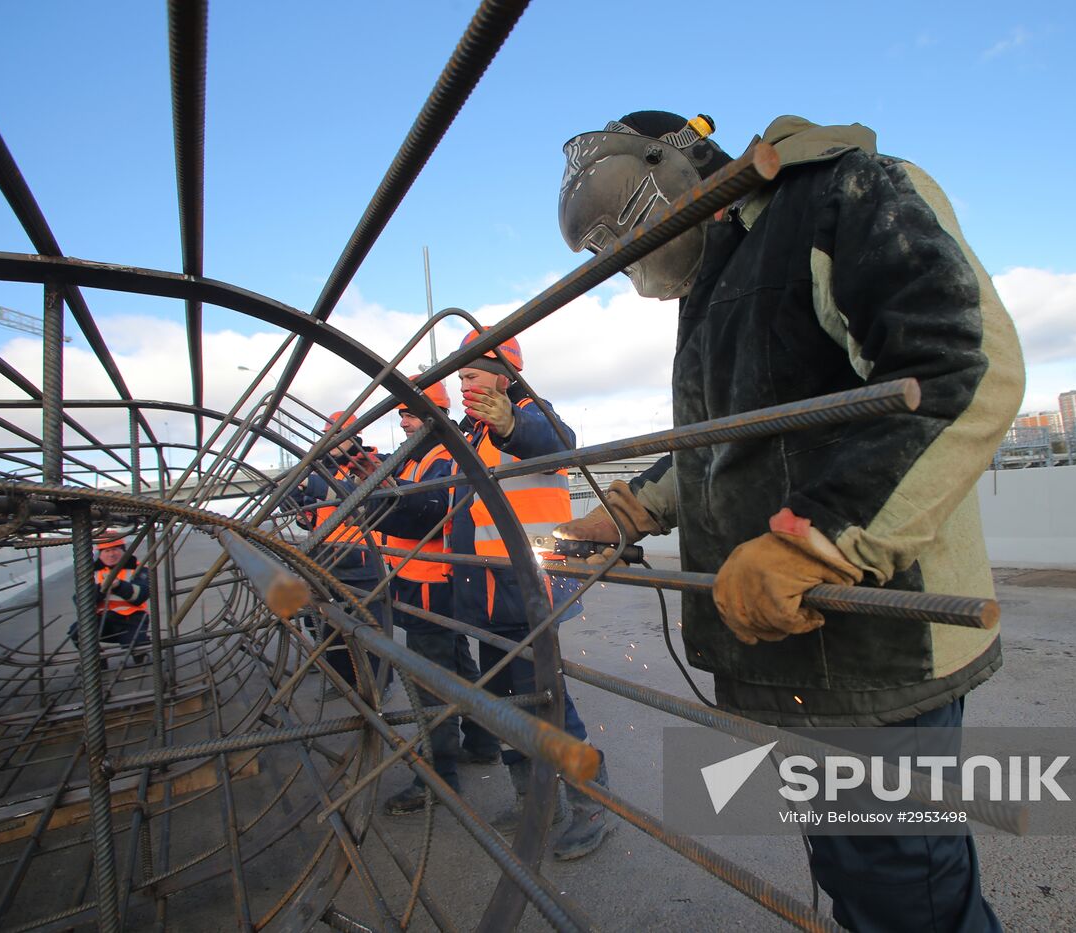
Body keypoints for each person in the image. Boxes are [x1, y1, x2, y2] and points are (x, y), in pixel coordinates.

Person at [555, 111, 1024, 930]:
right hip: (793, 647)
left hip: (876, 644)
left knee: (904, 890)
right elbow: (728, 438)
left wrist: (816, 537)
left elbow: (962, 367)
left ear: (676, 162)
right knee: (859, 872)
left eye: (618, 227)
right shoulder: (721, 277)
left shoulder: (839, 193)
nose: (618, 258)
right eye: (599, 249)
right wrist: (633, 507)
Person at [448, 329, 613, 860]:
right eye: (460, 375)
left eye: (471, 372)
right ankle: (532, 799)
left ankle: (590, 805)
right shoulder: (472, 435)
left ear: (504, 372)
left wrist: (510, 421)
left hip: (527, 591)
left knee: (548, 706)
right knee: (506, 705)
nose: (463, 382)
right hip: (486, 593)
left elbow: (556, 441)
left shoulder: (529, 414)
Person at [377, 376, 501, 815]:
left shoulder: (441, 456)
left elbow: (428, 515)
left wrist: (375, 506)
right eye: (401, 415)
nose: (403, 422)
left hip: (433, 583)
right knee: (458, 667)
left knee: (431, 682)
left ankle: (437, 776)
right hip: (419, 579)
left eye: (408, 414)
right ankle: (484, 740)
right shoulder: (420, 457)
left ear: (431, 414)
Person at [290, 411, 384, 691]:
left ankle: (378, 685)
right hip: (326, 559)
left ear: (354, 436)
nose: (329, 442)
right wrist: (301, 509)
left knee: (370, 629)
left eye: (335, 436)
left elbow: (352, 496)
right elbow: (298, 500)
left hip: (363, 560)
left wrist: (312, 484)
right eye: (327, 436)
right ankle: (344, 682)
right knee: (332, 626)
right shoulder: (323, 469)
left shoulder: (369, 464)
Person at [69, 535, 150, 662]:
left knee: (137, 647)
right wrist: (102, 588)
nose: (111, 554)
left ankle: (141, 652)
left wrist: (118, 586)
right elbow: (79, 601)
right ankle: (96, 662)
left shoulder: (138, 568)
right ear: (100, 554)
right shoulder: (91, 573)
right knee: (77, 632)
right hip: (103, 620)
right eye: (107, 551)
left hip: (132, 620)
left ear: (124, 551)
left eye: (115, 549)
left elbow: (141, 595)